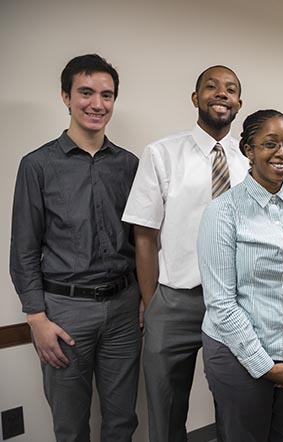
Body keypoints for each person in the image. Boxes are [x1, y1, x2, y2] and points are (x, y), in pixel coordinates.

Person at [9, 54, 140, 441]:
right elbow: (24, 248)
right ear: (66, 96)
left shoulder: (129, 165)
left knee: (122, 420)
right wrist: (36, 318)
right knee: (70, 424)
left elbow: (142, 240)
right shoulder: (37, 165)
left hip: (123, 310)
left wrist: (145, 299)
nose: (97, 104)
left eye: (107, 95)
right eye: (86, 93)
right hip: (65, 313)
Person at [122, 65, 249, 442]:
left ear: (239, 103)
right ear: (196, 98)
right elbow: (144, 235)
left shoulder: (248, 162)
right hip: (176, 301)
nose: (221, 94)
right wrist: (153, 301)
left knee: (235, 406)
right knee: (165, 409)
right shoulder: (162, 153)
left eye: (230, 89)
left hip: (236, 301)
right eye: (211, 87)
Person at [197, 109, 283, 441]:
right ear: (249, 150)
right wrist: (266, 367)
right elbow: (221, 304)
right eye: (270, 143)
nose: (282, 153)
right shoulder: (223, 212)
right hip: (238, 355)